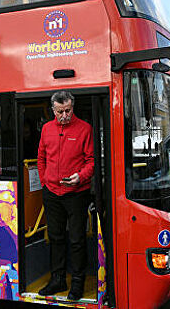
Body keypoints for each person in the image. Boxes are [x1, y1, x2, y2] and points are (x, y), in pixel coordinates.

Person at [37, 91, 94, 301]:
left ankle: (77, 283)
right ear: (53, 110)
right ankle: (58, 280)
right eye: (60, 111)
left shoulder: (85, 129)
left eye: (68, 110)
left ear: (73, 107)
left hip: (77, 193)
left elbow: (92, 161)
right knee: (56, 237)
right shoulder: (46, 129)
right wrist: (44, 181)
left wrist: (80, 177)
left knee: (77, 239)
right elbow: (41, 157)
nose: (64, 115)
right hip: (51, 192)